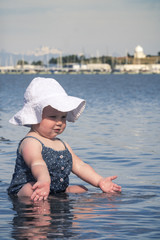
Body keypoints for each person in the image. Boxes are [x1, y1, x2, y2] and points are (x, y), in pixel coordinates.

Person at [8, 77, 121, 201]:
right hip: (30, 187)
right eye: (53, 117)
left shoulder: (62, 144)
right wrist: (43, 180)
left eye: (63, 117)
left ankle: (70, 211)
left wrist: (100, 181)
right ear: (35, 116)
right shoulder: (31, 141)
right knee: (30, 188)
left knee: (82, 189)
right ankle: (43, 208)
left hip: (56, 189)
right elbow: (37, 163)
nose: (59, 122)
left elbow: (79, 166)